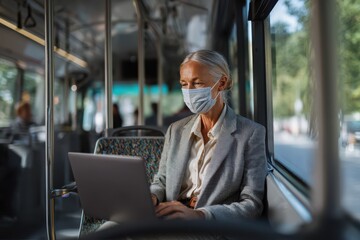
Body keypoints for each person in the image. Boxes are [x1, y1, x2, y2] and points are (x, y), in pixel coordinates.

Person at [150, 49, 267, 221]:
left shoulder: (250, 134)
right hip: (170, 217)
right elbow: (162, 180)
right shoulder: (175, 130)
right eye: (184, 84)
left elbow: (252, 205)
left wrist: (200, 215)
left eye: (197, 83)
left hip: (210, 226)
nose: (189, 91)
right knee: (113, 228)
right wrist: (152, 198)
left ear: (221, 83)